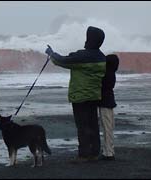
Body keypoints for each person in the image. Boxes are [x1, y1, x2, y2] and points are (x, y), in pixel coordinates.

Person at [45, 26, 106, 162]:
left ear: (90, 39)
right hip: (94, 95)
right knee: (92, 125)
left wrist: (51, 53)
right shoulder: (101, 57)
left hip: (80, 96)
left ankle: (84, 154)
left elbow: (62, 61)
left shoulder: (83, 56)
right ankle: (94, 152)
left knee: (82, 126)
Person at [98, 54, 119, 161]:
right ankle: (109, 151)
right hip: (109, 102)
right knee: (109, 127)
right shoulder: (111, 74)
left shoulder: (106, 74)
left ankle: (108, 153)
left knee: (107, 128)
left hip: (105, 102)